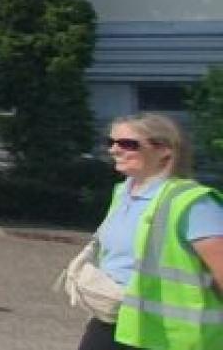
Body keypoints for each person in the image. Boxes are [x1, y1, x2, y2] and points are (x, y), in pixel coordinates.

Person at [80, 113, 223, 350]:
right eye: (111, 142)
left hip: (170, 335)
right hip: (115, 320)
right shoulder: (122, 193)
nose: (114, 150)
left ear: (165, 151)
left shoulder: (194, 203)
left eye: (127, 144)